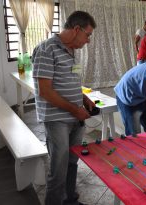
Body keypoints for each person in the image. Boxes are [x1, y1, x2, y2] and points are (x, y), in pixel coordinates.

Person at [32, 11, 96, 205]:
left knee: (71, 161)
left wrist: (83, 99)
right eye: (88, 35)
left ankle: (70, 200)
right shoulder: (46, 49)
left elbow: (71, 81)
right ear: (76, 29)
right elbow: (45, 91)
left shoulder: (71, 50)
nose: (88, 41)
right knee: (58, 168)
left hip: (75, 117)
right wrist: (74, 110)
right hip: (57, 118)